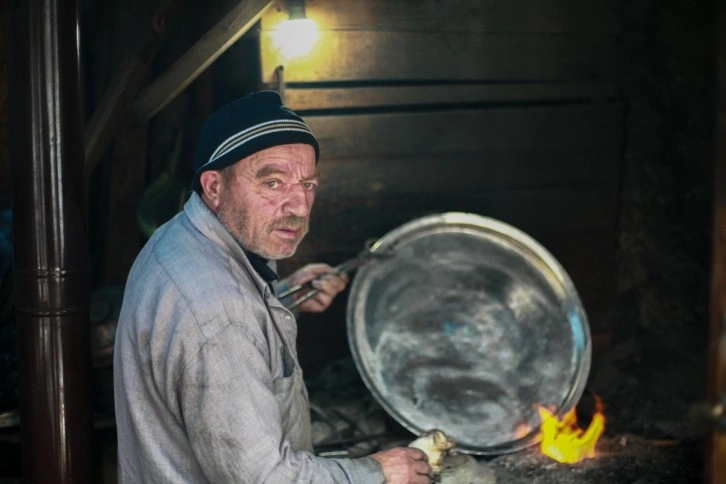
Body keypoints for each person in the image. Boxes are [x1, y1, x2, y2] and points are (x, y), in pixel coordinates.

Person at [113, 91, 431, 483]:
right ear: (214, 187)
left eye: (308, 184)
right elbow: (264, 478)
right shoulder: (221, 315)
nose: (298, 205)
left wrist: (281, 300)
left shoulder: (178, 240)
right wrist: (375, 473)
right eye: (274, 182)